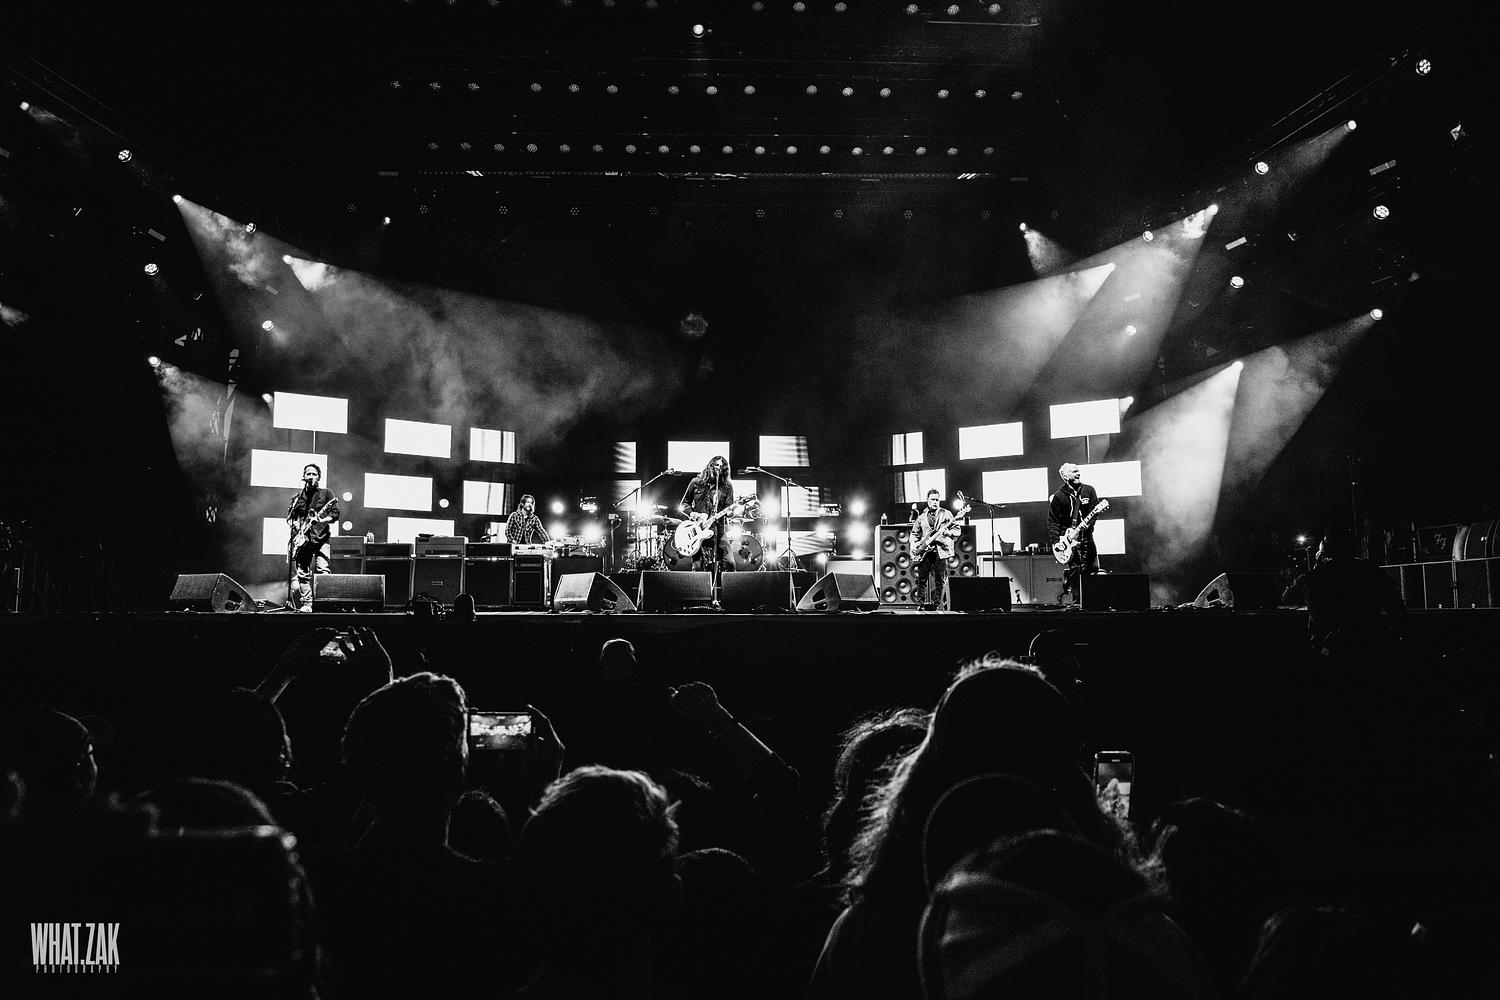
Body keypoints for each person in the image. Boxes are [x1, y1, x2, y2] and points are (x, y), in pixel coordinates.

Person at [1047, 463, 1104, 604]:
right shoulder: (1059, 496)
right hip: (1068, 540)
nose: (1078, 473)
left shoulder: (1089, 490)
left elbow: (1094, 513)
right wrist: (1056, 542)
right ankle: (1077, 602)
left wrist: (1088, 524)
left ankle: (1092, 601)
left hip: (1086, 537)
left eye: (1078, 471)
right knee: (1075, 569)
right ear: (1065, 476)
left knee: (1093, 568)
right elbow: (1053, 521)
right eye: (1074, 471)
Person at [286, 463, 339, 612]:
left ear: (319, 477)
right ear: (303, 477)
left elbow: (335, 514)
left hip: (321, 538)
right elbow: (290, 518)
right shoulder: (297, 497)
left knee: (323, 571)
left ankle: (324, 603)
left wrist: (321, 520)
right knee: (302, 574)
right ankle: (307, 604)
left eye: (314, 474)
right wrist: (296, 527)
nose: (310, 476)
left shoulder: (327, 493)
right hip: (303, 540)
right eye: (308, 474)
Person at [679, 455, 735, 575]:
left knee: (729, 563)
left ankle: (724, 586)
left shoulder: (727, 486)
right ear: (710, 466)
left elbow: (729, 510)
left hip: (718, 530)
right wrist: (693, 513)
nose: (718, 468)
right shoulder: (696, 482)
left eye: (722, 467)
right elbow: (684, 504)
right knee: (698, 567)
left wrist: (731, 512)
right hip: (697, 530)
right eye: (716, 465)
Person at [909, 490, 958, 611]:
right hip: (925, 551)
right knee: (922, 579)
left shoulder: (946, 514)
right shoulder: (921, 517)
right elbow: (914, 533)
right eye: (932, 499)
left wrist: (948, 533)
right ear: (927, 500)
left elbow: (957, 529)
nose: (935, 502)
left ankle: (936, 605)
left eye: (937, 499)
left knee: (940, 580)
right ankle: (920, 604)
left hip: (941, 551)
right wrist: (914, 545)